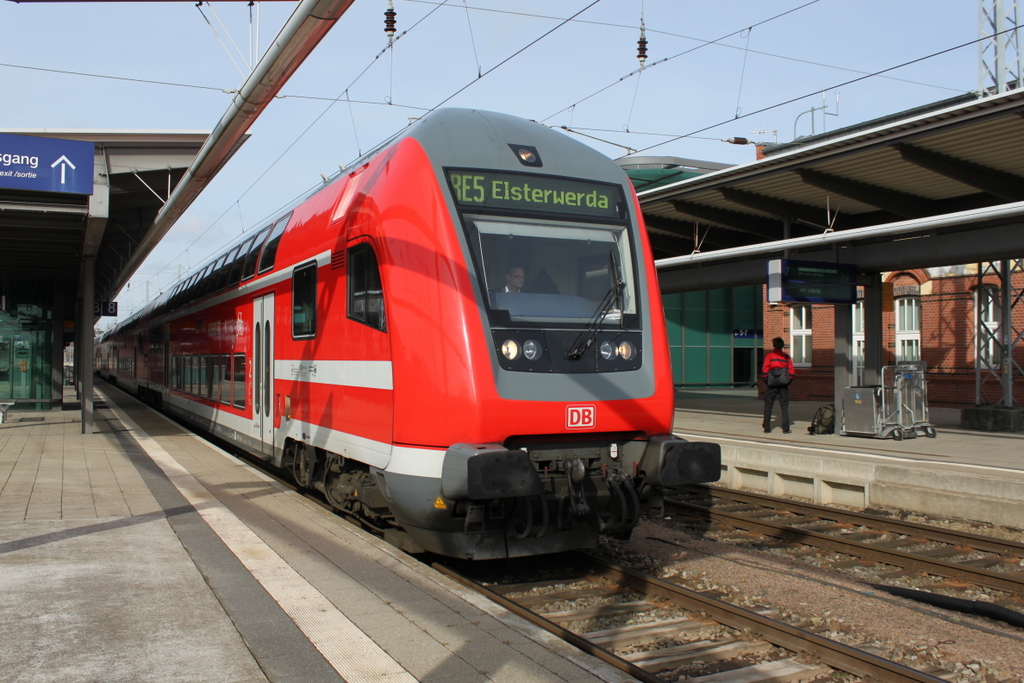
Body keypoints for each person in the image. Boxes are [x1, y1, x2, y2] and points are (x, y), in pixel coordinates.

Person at [762, 336, 795, 434]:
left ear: (774, 345)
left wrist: (767, 381)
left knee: (768, 405)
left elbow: (765, 370)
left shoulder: (769, 356)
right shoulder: (786, 357)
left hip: (772, 383)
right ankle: (785, 428)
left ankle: (767, 427)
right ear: (782, 346)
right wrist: (788, 382)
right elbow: (792, 371)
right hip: (783, 384)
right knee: (784, 406)